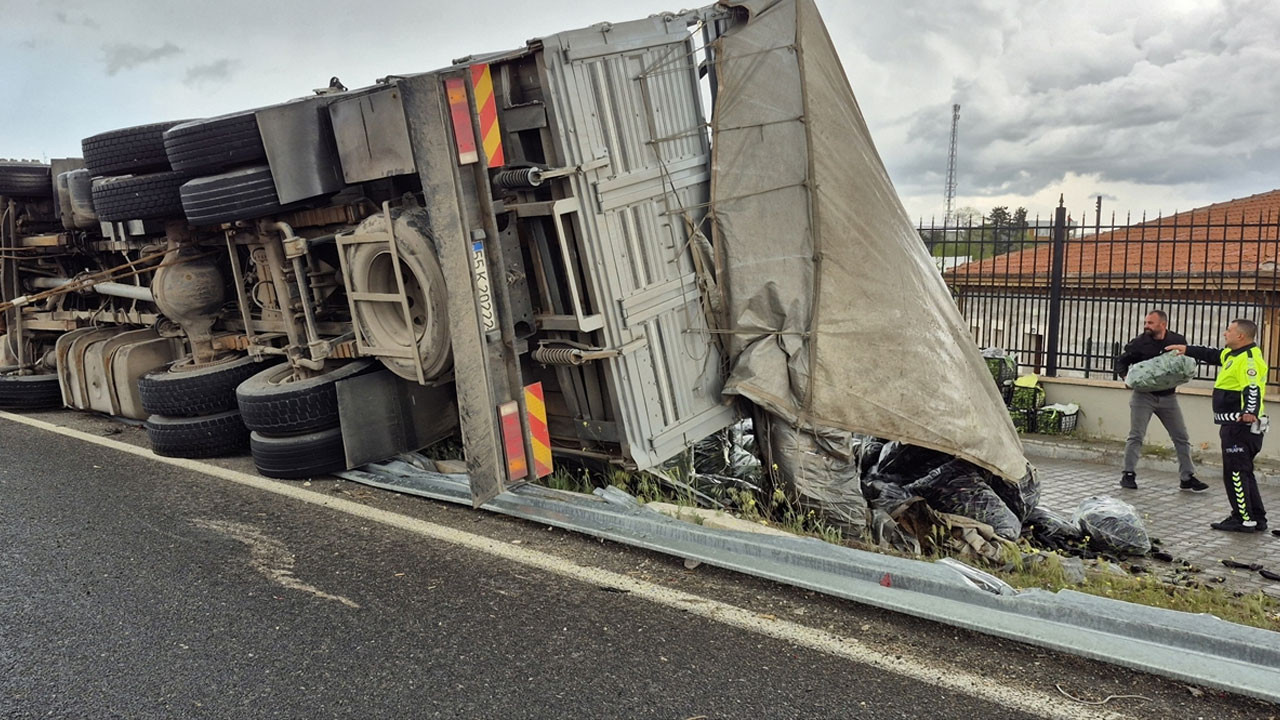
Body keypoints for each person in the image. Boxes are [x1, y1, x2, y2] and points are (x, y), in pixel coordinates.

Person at [1166, 319, 1270, 533]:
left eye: (1229, 330)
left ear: (1241, 336)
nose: (1225, 333)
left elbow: (1252, 388)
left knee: (1235, 473)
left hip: (1240, 425)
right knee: (1244, 471)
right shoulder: (1233, 355)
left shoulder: (1248, 359)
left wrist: (1249, 412)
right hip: (1234, 423)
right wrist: (1187, 349)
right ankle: (1256, 517)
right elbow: (1212, 355)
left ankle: (1242, 518)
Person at [1115, 310, 1207, 492]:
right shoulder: (1139, 343)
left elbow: (1185, 362)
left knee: (1181, 437)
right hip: (1143, 396)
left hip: (1168, 397)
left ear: (1163, 325)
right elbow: (1121, 361)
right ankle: (1128, 474)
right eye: (1145, 322)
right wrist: (1126, 378)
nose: (1146, 326)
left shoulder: (1178, 340)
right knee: (1136, 436)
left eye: (1150, 323)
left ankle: (1187, 477)